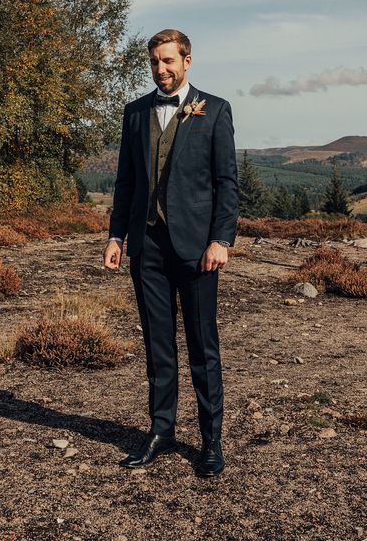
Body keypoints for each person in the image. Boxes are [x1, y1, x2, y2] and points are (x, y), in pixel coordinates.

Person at [103, 28, 239, 478]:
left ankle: (211, 441)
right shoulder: (136, 113)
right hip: (148, 247)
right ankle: (160, 432)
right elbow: (126, 180)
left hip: (199, 249)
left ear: (187, 61)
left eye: (168, 61)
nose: (160, 70)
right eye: (154, 63)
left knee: (203, 347)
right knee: (158, 346)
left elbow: (226, 184)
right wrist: (116, 236)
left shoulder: (215, 110)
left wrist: (222, 240)